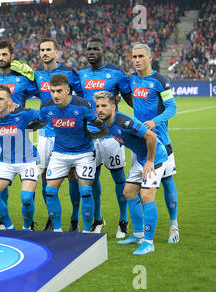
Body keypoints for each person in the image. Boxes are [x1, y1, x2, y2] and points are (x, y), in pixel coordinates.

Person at [94, 90, 168, 255]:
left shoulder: (125, 122)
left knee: (147, 196)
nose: (100, 109)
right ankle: (138, 235)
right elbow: (110, 132)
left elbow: (151, 136)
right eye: (98, 106)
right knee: (128, 192)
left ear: (113, 107)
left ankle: (148, 242)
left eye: (104, 106)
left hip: (154, 157)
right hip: (142, 158)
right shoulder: (106, 122)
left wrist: (150, 161)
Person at [77, 37, 133, 237]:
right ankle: (98, 219)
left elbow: (131, 100)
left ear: (103, 50)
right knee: (92, 180)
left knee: (119, 178)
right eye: (88, 49)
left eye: (95, 49)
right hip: (89, 136)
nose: (91, 52)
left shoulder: (117, 73)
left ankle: (123, 220)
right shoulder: (81, 74)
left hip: (112, 136)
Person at [40, 74, 106, 233]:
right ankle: (57, 231)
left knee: (85, 191)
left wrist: (96, 134)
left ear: (68, 90)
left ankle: (86, 233)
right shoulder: (46, 106)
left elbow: (101, 125)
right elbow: (38, 121)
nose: (55, 95)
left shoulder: (82, 105)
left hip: (84, 153)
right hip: (60, 153)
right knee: (50, 191)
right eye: (52, 91)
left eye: (59, 91)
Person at [130, 43, 179, 243]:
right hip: (140, 143)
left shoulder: (160, 81)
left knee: (167, 182)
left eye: (141, 56)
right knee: (137, 188)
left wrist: (155, 121)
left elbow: (172, 108)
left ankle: (173, 225)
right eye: (134, 57)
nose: (137, 60)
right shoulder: (132, 79)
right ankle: (141, 232)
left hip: (161, 142)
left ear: (150, 58)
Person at [34, 38, 83, 232]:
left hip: (67, 129)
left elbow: (81, 95)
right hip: (45, 132)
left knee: (73, 174)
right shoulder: (36, 74)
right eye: (42, 49)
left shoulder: (69, 72)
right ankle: (51, 217)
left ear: (56, 52)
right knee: (45, 176)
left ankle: (74, 217)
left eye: (48, 49)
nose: (45, 53)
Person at [0, 40, 39, 229]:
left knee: (27, 190)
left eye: (4, 55)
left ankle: (29, 222)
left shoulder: (22, 77)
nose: (1, 58)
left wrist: (32, 75)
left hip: (21, 129)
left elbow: (41, 92)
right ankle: (4, 221)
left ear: (12, 56)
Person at [0, 85, 44, 231]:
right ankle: (9, 227)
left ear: (9, 101)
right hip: (5, 161)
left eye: (1, 99)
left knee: (27, 198)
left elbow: (45, 116)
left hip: (29, 160)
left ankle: (27, 228)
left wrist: (34, 126)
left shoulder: (23, 114)